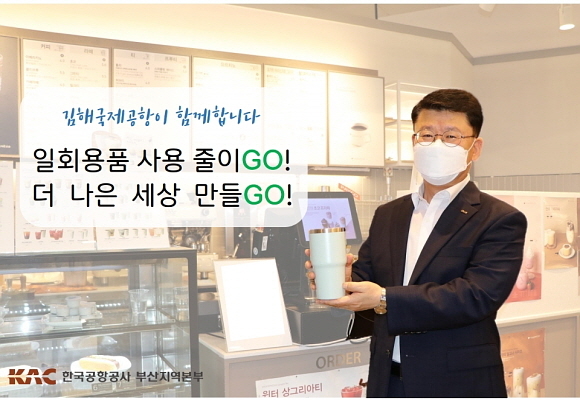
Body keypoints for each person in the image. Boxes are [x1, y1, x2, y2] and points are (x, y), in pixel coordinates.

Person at [305, 89, 527, 397]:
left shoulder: (499, 218)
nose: (437, 144)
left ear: (475, 148)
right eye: (427, 135)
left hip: (456, 383)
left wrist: (384, 298)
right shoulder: (389, 214)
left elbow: (476, 296)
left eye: (451, 136)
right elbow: (370, 277)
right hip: (388, 378)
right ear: (414, 142)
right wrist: (343, 280)